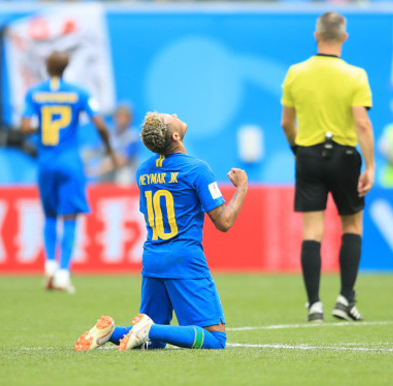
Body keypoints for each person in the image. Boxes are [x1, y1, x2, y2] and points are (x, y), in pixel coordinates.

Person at [74, 112, 248, 350]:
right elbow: (224, 222)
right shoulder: (197, 169)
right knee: (215, 339)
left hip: (153, 257)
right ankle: (147, 328)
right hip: (184, 258)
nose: (175, 115)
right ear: (176, 135)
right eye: (171, 117)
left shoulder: (144, 170)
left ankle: (109, 333)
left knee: (153, 344)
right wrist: (241, 188)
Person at [280, 12, 375, 322]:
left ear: (316, 35)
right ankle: (346, 299)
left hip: (308, 155)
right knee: (351, 225)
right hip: (345, 155)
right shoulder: (356, 75)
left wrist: (298, 149)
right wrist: (370, 165)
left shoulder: (295, 72)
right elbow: (361, 122)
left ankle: (314, 306)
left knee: (312, 231)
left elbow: (286, 122)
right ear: (344, 37)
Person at [21, 51, 117, 293]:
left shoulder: (34, 93)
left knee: (50, 215)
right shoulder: (80, 93)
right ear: (66, 67)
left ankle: (49, 265)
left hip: (45, 162)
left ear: (46, 66)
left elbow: (23, 126)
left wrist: (40, 130)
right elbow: (100, 125)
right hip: (70, 162)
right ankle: (64, 272)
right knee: (70, 217)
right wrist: (110, 151)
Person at [94, 103, 140, 185]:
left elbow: (123, 160)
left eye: (125, 117)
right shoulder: (110, 133)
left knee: (124, 174)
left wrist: (100, 168)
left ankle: (124, 196)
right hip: (109, 172)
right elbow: (99, 152)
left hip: (125, 172)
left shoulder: (133, 136)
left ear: (130, 119)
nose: (121, 120)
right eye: (119, 116)